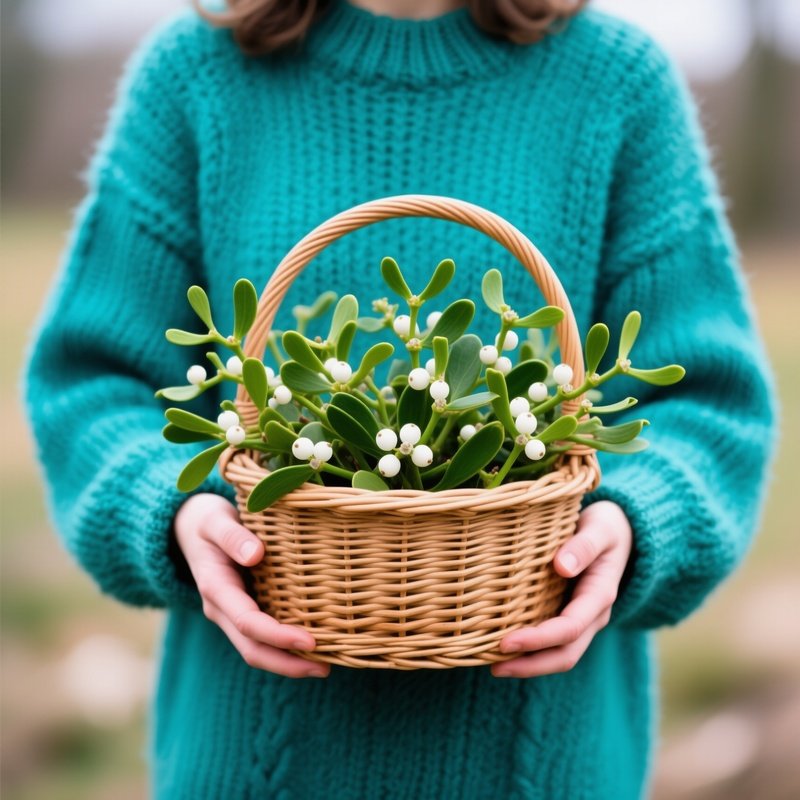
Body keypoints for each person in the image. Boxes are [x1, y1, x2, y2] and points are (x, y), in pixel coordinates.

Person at [22, 0, 777, 797]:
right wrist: (174, 509)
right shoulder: (197, 73)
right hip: (253, 760)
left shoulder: (617, 83)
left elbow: (708, 401)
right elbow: (91, 382)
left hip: (541, 762)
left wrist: (633, 521)